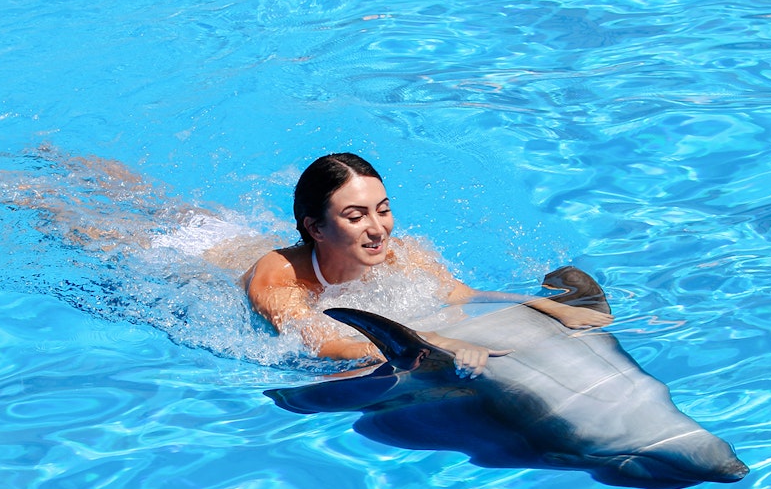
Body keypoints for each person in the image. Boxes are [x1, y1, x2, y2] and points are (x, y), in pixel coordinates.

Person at [242, 152, 613, 378]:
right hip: (212, 256)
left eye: (383, 210)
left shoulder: (400, 255)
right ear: (315, 228)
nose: (378, 230)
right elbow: (325, 345)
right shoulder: (278, 279)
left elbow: (462, 295)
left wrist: (548, 305)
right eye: (356, 217)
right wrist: (435, 343)